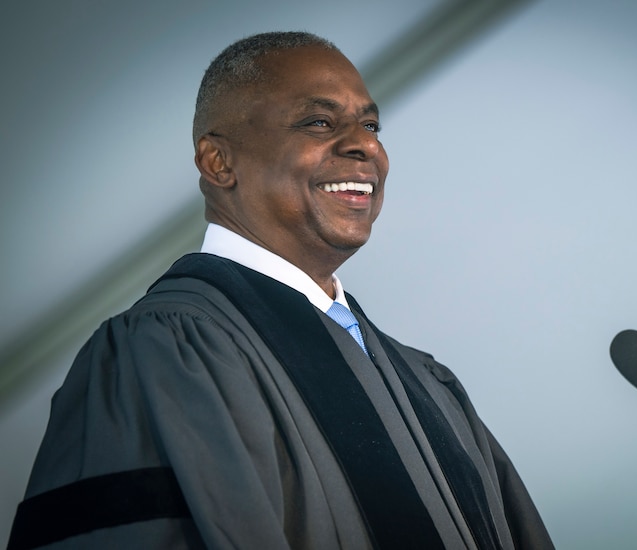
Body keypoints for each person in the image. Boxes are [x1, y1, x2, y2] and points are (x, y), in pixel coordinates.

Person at [9, 32, 554, 549]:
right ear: (218, 162)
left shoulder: (429, 386)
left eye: (371, 125)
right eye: (319, 122)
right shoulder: (159, 353)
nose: (365, 145)